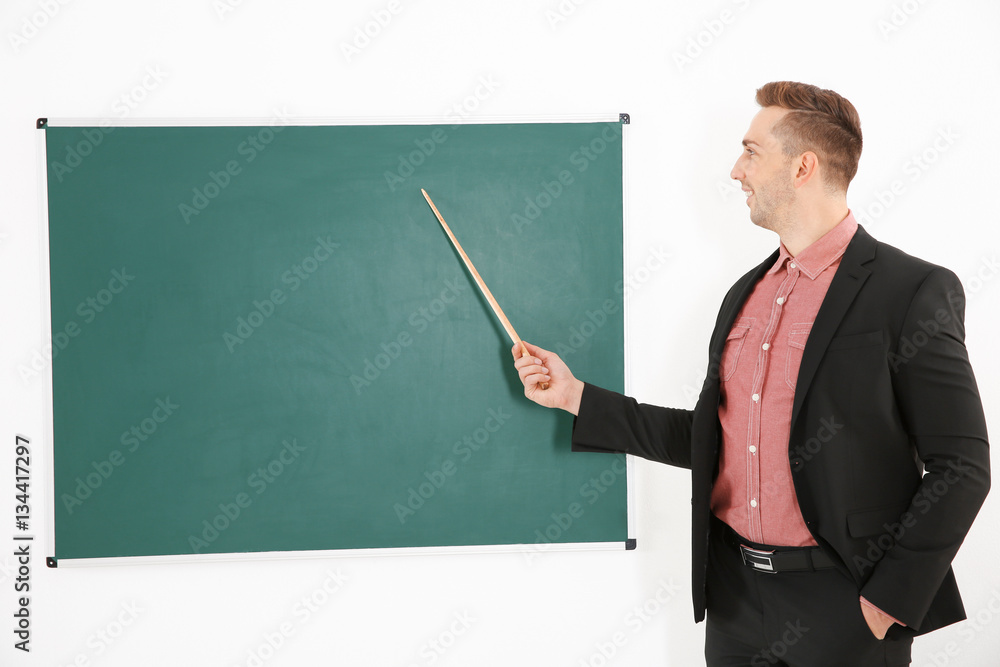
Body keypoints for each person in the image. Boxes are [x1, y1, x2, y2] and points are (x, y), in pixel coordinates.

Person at [513, 81, 990, 667]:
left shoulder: (913, 291)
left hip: (846, 605)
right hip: (736, 601)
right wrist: (576, 397)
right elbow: (713, 439)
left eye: (751, 151)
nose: (736, 170)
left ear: (803, 167)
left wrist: (890, 599)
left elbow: (962, 466)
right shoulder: (747, 293)